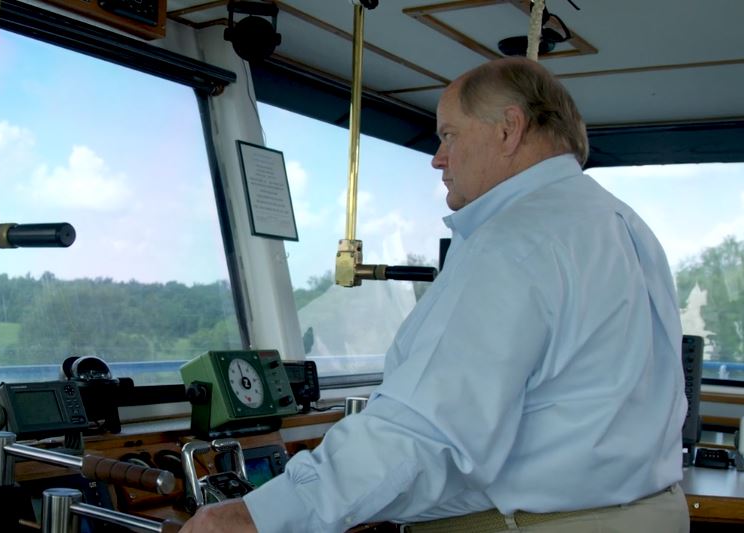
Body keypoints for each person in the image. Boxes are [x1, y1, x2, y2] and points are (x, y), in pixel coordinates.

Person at [179, 57, 689, 533]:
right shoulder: (625, 226)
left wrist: (259, 514)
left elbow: (423, 434)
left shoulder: (514, 239)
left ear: (508, 129)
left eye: (448, 135)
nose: (437, 159)